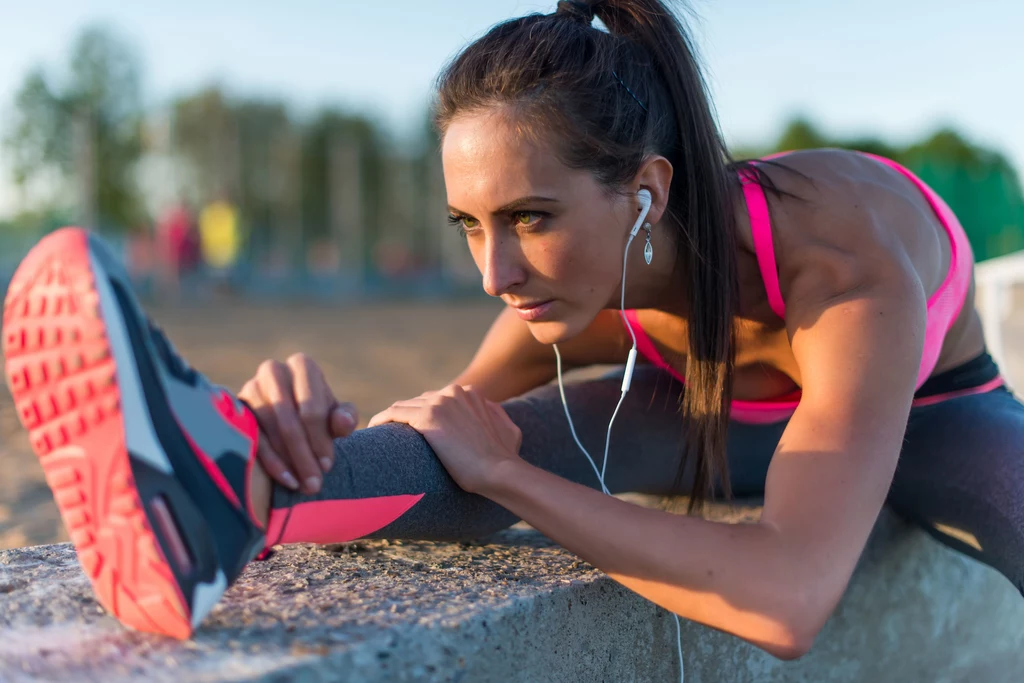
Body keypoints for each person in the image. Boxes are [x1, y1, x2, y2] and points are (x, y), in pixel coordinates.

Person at [3, 0, 1022, 664]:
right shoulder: (579, 286)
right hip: (709, 411)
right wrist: (299, 436)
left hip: (937, 420)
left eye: (530, 219)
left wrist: (518, 481)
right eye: (471, 226)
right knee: (479, 436)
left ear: (644, 190)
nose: (494, 274)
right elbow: (448, 429)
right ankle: (218, 480)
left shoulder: (843, 269)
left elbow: (788, 595)